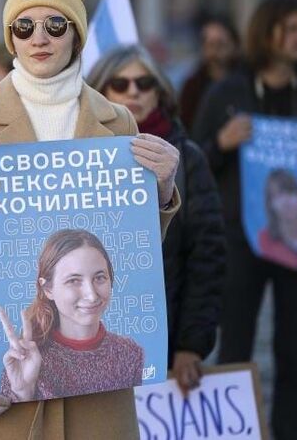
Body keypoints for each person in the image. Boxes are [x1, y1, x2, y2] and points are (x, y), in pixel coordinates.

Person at [0, 0, 180, 439]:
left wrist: (165, 190)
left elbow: (134, 250)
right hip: (1, 379)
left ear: (77, 34)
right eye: (24, 27)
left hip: (98, 392)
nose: (39, 38)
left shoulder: (119, 121)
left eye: (56, 24)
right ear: (10, 38)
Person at [191, 0, 297, 440]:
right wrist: (221, 142)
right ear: (267, 33)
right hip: (241, 240)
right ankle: (232, 433)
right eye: (293, 28)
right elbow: (193, 161)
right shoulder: (228, 92)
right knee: (237, 349)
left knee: (294, 353)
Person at [87, 44, 225, 396]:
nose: (133, 91)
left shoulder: (188, 159)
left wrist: (191, 345)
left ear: (159, 92)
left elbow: (206, 257)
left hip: (164, 338)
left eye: (144, 82)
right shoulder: (76, 159)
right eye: (120, 83)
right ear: (100, 91)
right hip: (89, 339)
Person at [0, 229, 143, 402]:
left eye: (100, 277)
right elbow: (14, 428)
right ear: (48, 289)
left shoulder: (130, 353)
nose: (92, 295)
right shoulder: (26, 360)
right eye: (74, 280)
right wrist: (23, 393)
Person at [178, 16, 241, 129]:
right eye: (209, 44)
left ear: (234, 46)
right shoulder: (192, 87)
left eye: (220, 44)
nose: (214, 51)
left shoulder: (248, 82)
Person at [258, 170, 297, 273]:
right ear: (270, 204)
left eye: (291, 192)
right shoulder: (264, 239)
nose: (286, 202)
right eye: (278, 195)